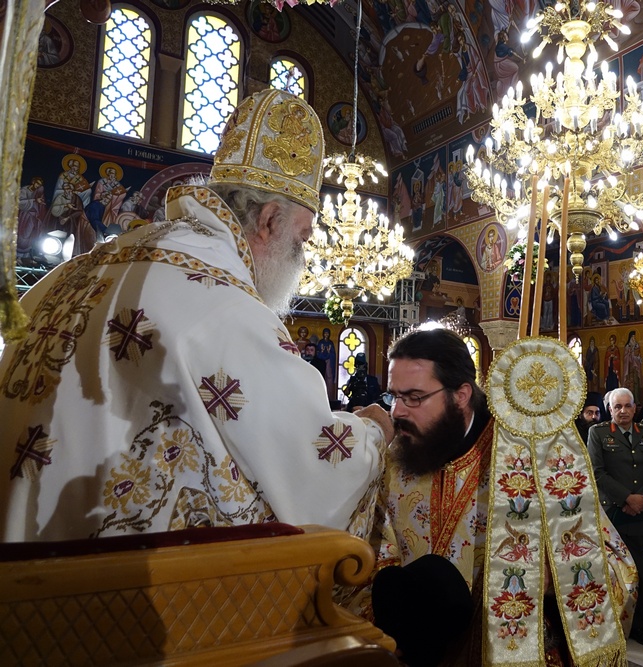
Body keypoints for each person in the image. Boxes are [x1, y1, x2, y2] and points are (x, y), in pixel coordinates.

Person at [0, 89, 394, 542]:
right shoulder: (223, 302)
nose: (302, 257)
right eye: (301, 238)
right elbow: (312, 461)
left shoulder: (83, 267)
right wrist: (373, 432)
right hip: (117, 589)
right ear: (268, 221)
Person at [350, 328, 635, 664]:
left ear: (461, 394)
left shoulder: (529, 463)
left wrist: (556, 577)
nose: (397, 411)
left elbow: (617, 568)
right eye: (393, 396)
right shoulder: (395, 460)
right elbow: (369, 554)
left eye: (414, 397)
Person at [588, 387, 643, 647]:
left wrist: (639, 499)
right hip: (613, 515)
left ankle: (637, 627)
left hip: (641, 514)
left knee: (639, 573)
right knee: (611, 574)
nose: (622, 411)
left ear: (635, 408)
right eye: (617, 407)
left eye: (627, 406)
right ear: (610, 410)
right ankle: (610, 627)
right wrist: (626, 499)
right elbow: (596, 472)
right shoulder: (597, 433)